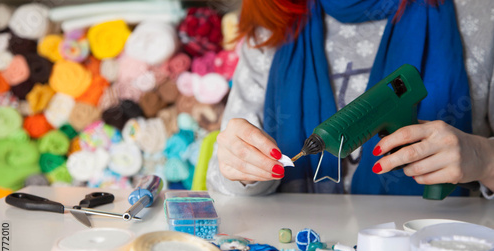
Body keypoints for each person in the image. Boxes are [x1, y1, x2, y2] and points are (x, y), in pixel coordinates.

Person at [207, 0, 494, 198]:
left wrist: (484, 158)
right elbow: (224, 184)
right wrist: (241, 169)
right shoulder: (272, 24)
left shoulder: (481, 16)